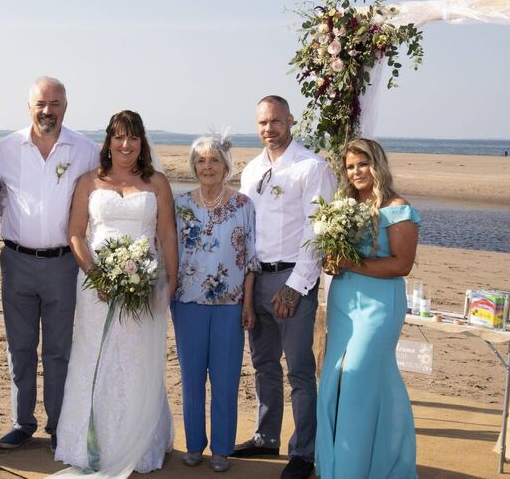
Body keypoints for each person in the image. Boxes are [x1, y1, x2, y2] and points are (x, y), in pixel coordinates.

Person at [54, 109, 177, 476]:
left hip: (146, 284)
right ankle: (89, 441)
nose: (126, 145)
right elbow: (75, 233)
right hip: (97, 288)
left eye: (133, 137)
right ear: (108, 142)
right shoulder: (89, 181)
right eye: (119, 137)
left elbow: (168, 233)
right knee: (94, 355)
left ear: (142, 143)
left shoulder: (157, 182)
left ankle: (138, 440)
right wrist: (97, 276)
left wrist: (168, 282)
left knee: (138, 358)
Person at [231, 95, 336, 479]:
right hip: (257, 279)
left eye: (275, 121)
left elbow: (318, 232)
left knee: (300, 371)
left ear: (290, 120)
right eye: (262, 123)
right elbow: (246, 229)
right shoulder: (252, 169)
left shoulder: (312, 167)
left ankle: (304, 452)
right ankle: (265, 436)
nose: (268, 129)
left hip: (293, 279)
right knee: (263, 365)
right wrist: (246, 284)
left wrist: (295, 286)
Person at [0, 77, 100, 451]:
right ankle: (22, 422)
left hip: (63, 263)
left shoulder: (85, 150)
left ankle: (58, 424)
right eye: (41, 103)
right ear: (29, 107)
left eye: (55, 103)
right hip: (16, 260)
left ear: (65, 107)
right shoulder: (6, 149)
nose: (47, 111)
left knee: (58, 349)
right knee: (19, 347)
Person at [315, 139, 420, 478]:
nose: (356, 171)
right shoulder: (343, 206)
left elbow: (402, 264)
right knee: (335, 380)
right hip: (343, 301)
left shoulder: (397, 208)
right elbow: (335, 254)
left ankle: (357, 469)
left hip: (379, 306)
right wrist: (331, 260)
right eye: (350, 166)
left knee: (357, 376)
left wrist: (349, 262)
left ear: (377, 165)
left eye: (362, 163)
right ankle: (339, 465)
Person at [172, 134, 258, 473]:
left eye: (214, 161)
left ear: (226, 166)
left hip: (230, 305)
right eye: (201, 161)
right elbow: (168, 251)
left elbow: (251, 259)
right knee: (192, 379)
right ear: (194, 165)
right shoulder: (180, 204)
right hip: (186, 302)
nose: (207, 167)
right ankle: (194, 445)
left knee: (225, 380)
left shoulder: (243, 205)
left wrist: (248, 303)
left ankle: (222, 449)